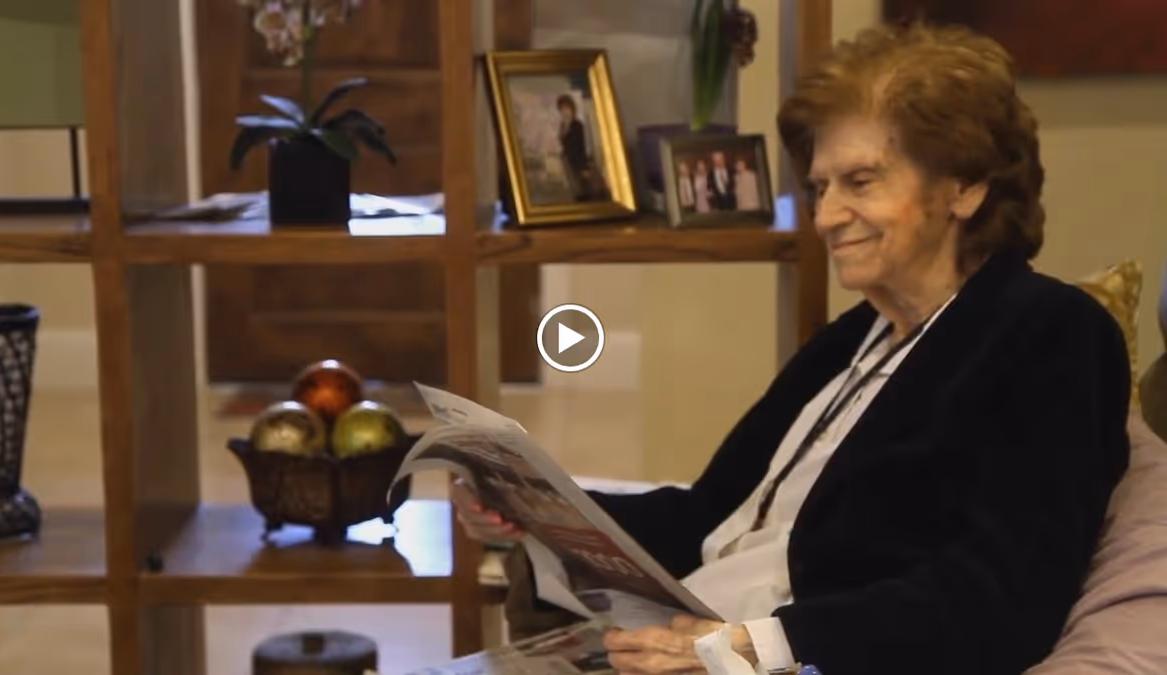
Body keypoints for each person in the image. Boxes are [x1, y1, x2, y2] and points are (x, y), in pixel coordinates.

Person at [453, 21, 1131, 675]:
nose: (826, 216)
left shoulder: (1048, 332)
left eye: (860, 182)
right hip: (681, 637)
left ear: (965, 185)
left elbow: (999, 598)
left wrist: (756, 646)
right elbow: (712, 514)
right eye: (820, 187)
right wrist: (538, 507)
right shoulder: (855, 338)